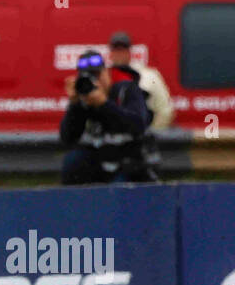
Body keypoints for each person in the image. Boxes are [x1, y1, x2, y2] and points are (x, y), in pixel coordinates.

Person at [59, 50, 151, 185]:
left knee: (119, 186)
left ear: (106, 73)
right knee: (72, 161)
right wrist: (74, 105)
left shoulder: (126, 91)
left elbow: (138, 125)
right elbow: (67, 138)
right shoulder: (84, 101)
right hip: (100, 164)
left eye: (97, 75)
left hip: (129, 164)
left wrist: (105, 104)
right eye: (89, 77)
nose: (95, 82)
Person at [108, 31, 173, 129]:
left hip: (140, 137)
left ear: (130, 53)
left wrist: (151, 133)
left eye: (123, 50)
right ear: (111, 54)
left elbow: (165, 111)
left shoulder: (148, 77)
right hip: (111, 137)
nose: (120, 54)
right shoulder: (104, 77)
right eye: (116, 50)